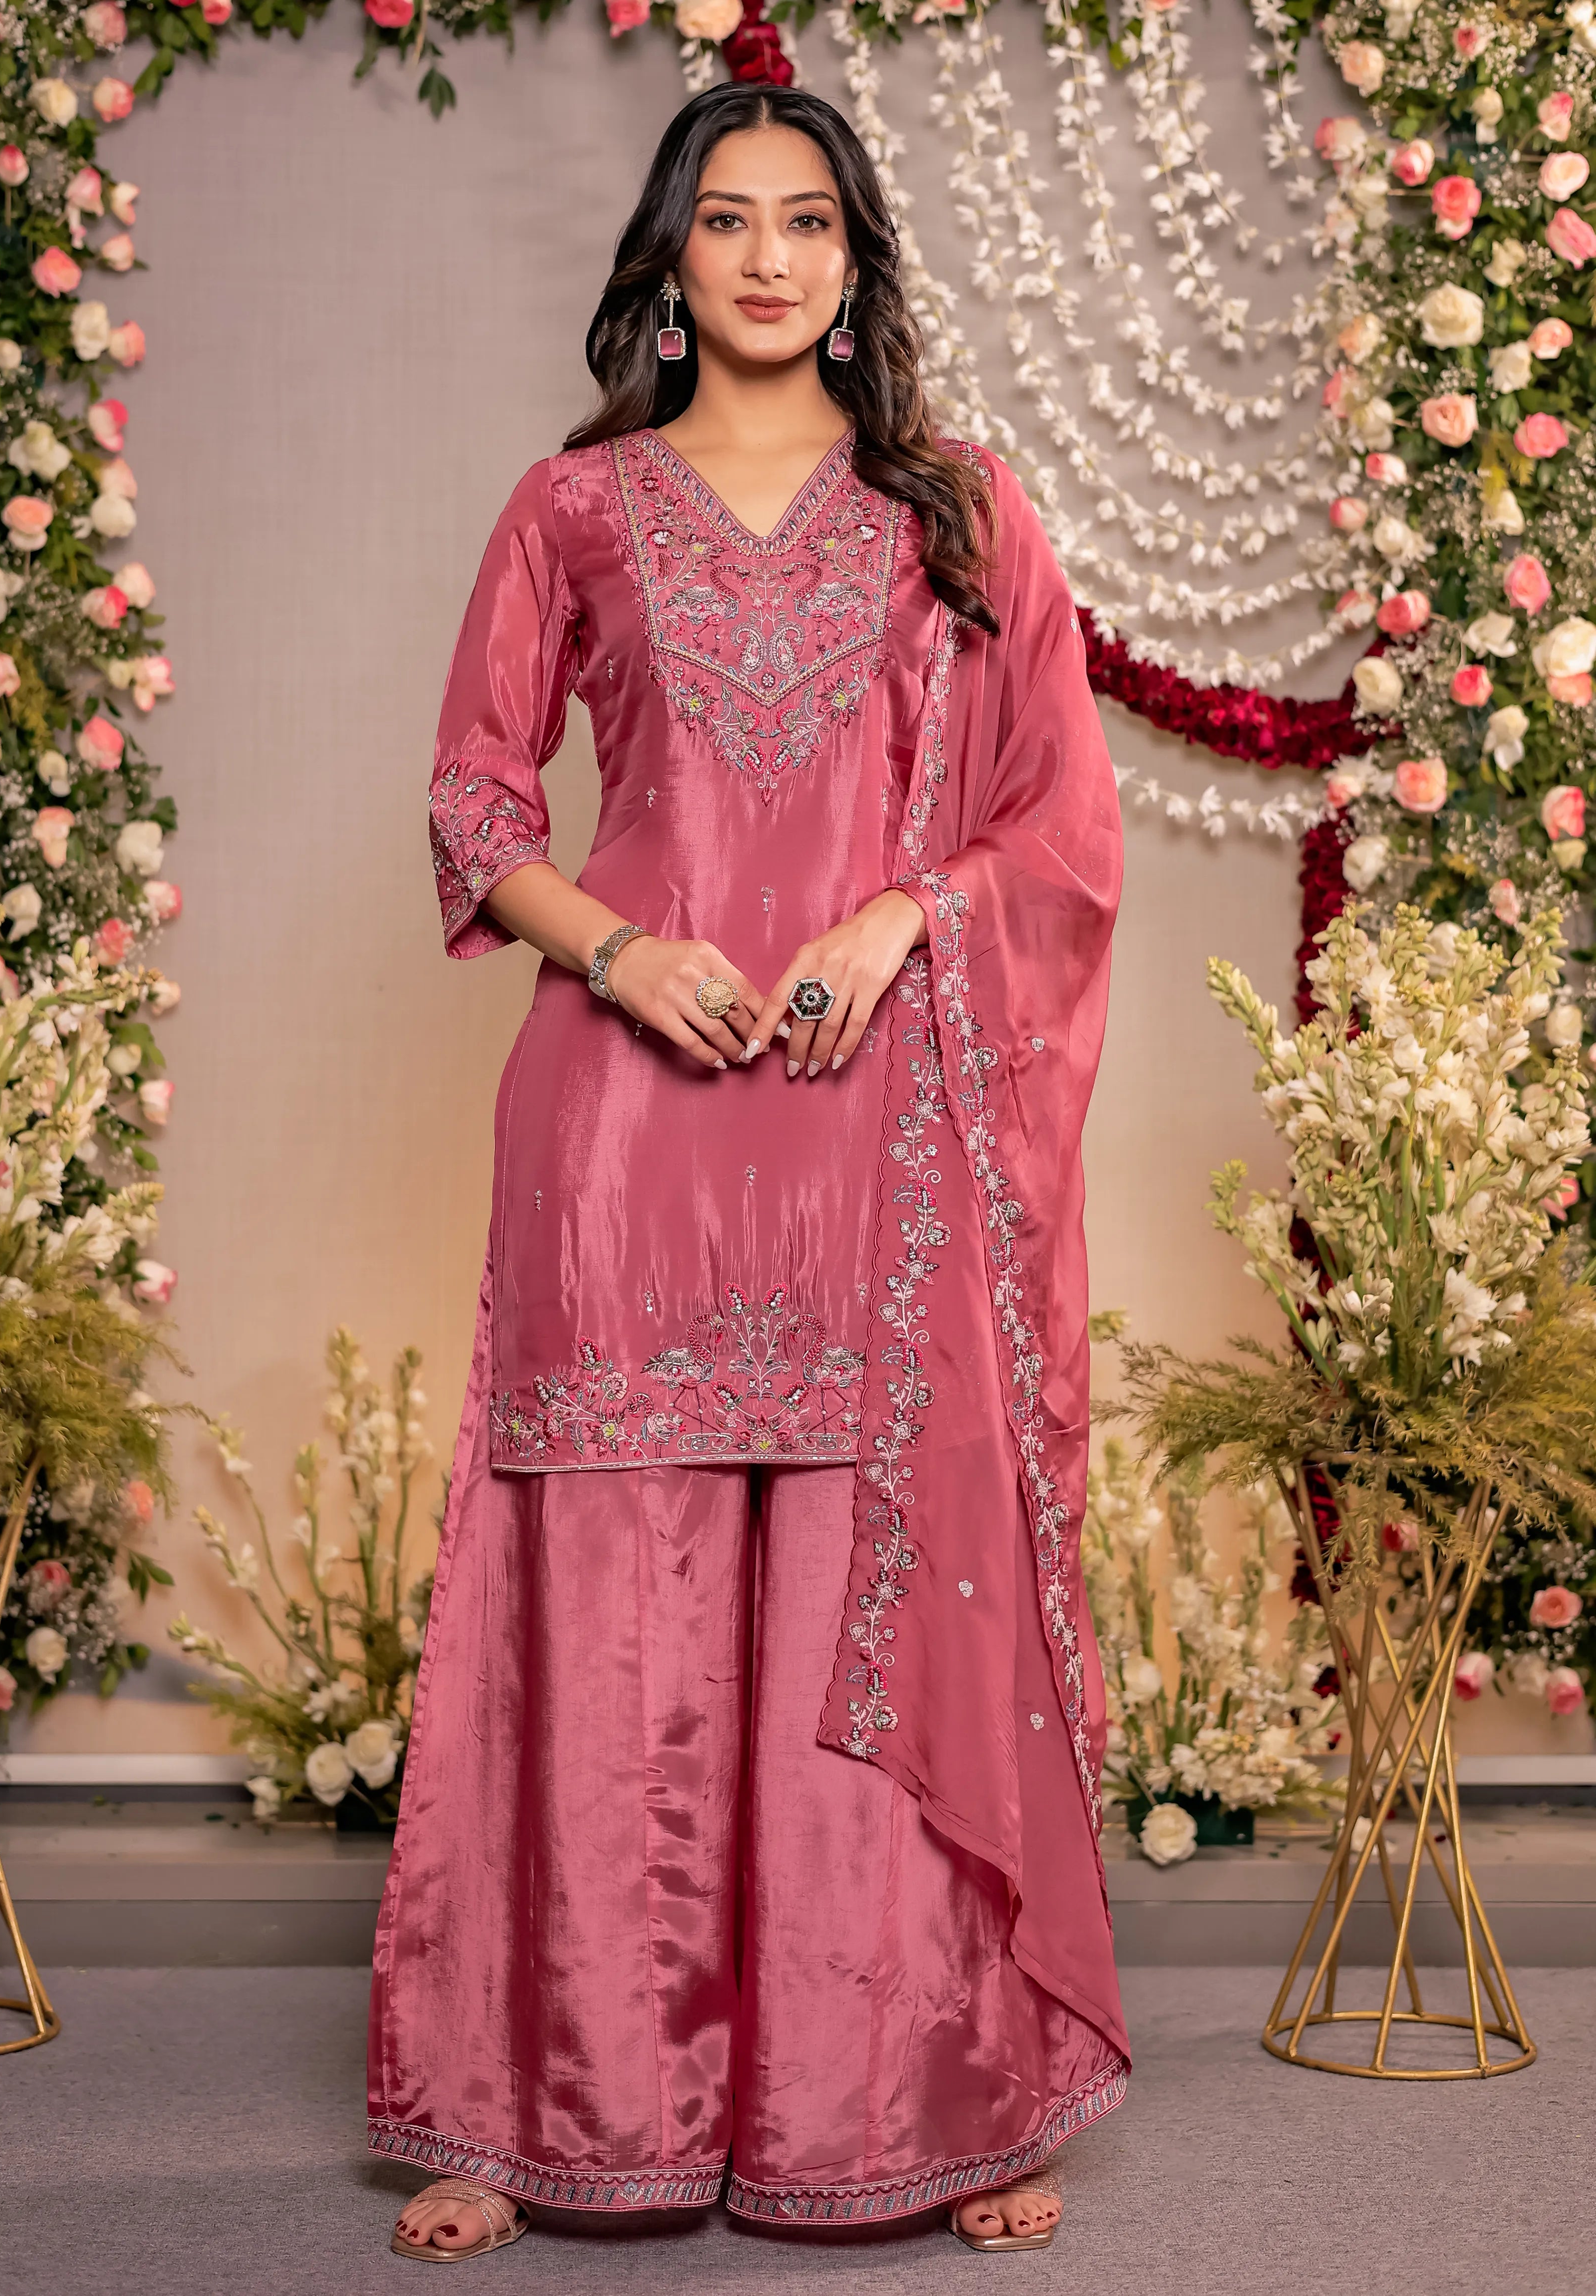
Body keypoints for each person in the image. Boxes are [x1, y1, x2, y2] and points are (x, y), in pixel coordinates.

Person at [369, 81, 1128, 2263]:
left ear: (858, 263)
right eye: (728, 222)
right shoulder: (571, 508)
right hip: (621, 1135)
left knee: (868, 1607)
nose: (771, 259)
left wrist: (908, 914)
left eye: (810, 223)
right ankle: (529, 2107)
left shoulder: (965, 519)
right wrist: (615, 948)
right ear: (667, 257)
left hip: (878, 1128)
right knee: (596, 1624)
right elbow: (472, 801)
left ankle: (929, 2090)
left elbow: (1057, 825)